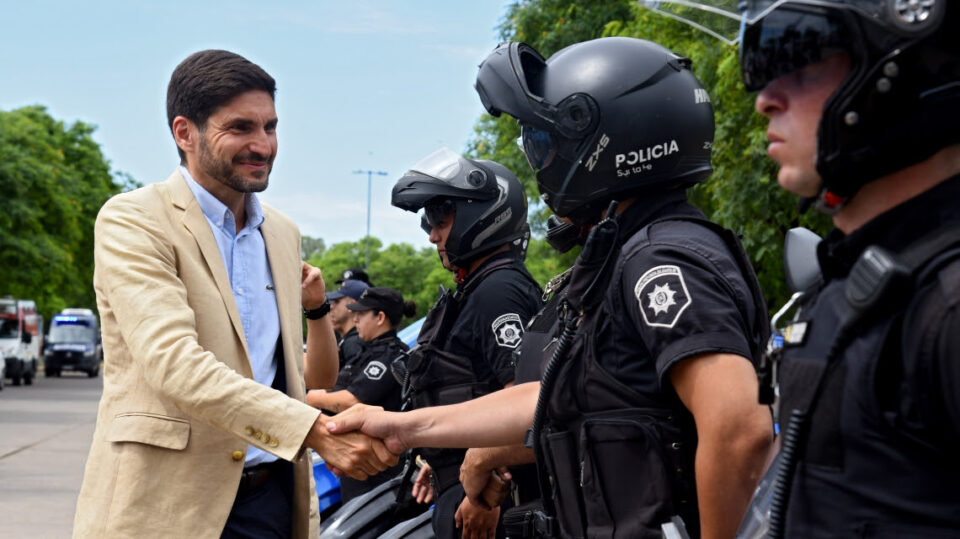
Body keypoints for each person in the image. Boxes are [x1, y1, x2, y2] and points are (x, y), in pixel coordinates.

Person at [330, 37, 775, 538]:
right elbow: (546, 399)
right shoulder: (621, 257)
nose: (539, 163)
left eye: (544, 145)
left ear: (605, 140)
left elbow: (739, 429)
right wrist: (401, 427)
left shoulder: (661, 259)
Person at [73, 49, 396, 538]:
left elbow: (304, 379)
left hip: (273, 499)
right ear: (185, 133)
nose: (262, 145)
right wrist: (311, 432)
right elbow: (174, 364)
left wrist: (316, 315)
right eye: (241, 128)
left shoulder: (282, 234)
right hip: (167, 503)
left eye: (270, 127)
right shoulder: (135, 220)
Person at [736, 0, 960, 535]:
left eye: (803, 63)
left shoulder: (946, 301)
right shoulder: (846, 280)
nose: (765, 100)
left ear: (897, 68)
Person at [390, 148, 543, 538]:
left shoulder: (499, 290)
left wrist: (486, 495)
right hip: (460, 487)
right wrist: (441, 458)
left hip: (487, 501)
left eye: (441, 217)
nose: (432, 234)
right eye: (428, 219)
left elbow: (528, 407)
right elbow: (472, 388)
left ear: (482, 213)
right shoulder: (479, 287)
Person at [307, 286, 416, 501]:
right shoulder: (368, 351)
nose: (355, 319)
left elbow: (352, 401)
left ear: (380, 317)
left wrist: (309, 398)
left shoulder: (391, 355)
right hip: (358, 465)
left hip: (378, 469)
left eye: (361, 314)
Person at [325, 278, 370, 372]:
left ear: (351, 304)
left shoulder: (354, 342)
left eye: (337, 302)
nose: (332, 306)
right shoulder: (348, 339)